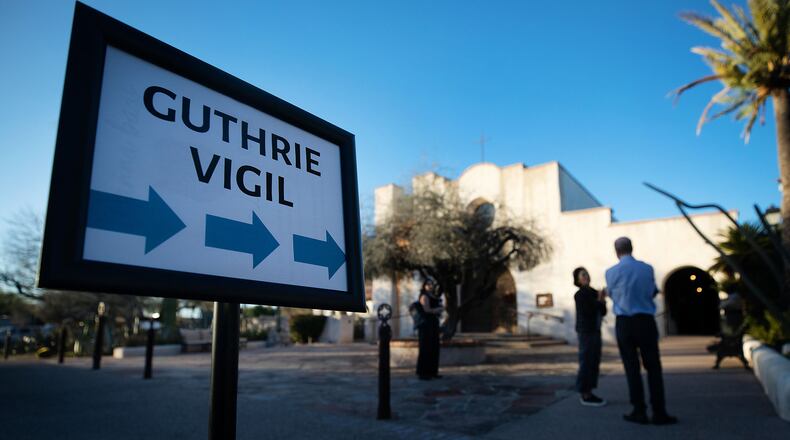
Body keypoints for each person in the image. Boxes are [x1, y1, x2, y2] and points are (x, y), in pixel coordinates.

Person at [605, 237, 678, 425]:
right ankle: (659, 412)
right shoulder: (647, 268)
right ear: (632, 248)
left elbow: (612, 294)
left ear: (616, 251)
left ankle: (639, 410)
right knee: (653, 367)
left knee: (631, 369)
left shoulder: (611, 272)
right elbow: (653, 291)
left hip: (624, 323)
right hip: (645, 321)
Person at [573, 267, 607, 407]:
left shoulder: (594, 292)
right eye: (582, 275)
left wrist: (602, 299)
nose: (586, 276)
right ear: (577, 280)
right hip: (586, 331)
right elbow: (588, 311)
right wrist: (600, 300)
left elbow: (602, 311)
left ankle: (590, 391)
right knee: (586, 361)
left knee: (594, 361)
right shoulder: (580, 294)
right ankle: (584, 393)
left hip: (595, 329)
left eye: (587, 274)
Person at [416, 278, 444, 380]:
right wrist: (438, 309)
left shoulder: (433, 295)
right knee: (425, 348)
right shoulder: (424, 296)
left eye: (431, 284)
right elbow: (426, 310)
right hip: (426, 325)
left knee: (434, 347)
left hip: (433, 324)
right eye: (428, 284)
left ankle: (433, 372)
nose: (430, 286)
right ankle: (423, 373)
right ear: (424, 285)